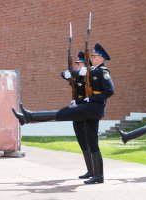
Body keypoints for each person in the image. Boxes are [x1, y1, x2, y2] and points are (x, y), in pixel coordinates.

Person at [12, 43, 114, 184]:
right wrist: (72, 75)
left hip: (93, 108)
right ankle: (98, 175)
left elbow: (110, 91)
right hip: (88, 107)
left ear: (101, 58)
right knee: (92, 142)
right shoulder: (92, 70)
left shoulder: (102, 71)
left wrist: (89, 98)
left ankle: (30, 117)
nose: (93, 57)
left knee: (63, 113)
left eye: (95, 56)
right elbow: (79, 76)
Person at [61, 51, 93, 180]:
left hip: (86, 110)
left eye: (78, 64)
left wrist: (74, 74)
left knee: (89, 140)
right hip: (76, 111)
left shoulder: (89, 76)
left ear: (85, 65)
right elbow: (66, 75)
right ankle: (89, 170)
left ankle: (95, 170)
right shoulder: (76, 76)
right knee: (81, 140)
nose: (76, 66)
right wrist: (64, 74)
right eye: (76, 64)